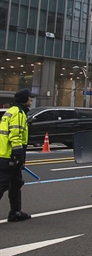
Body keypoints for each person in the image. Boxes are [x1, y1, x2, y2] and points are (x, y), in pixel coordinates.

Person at [0, 89, 36, 222]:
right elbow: (15, 136)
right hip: (9, 155)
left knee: (16, 183)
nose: (31, 100)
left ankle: (15, 212)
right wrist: (18, 156)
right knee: (3, 184)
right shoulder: (18, 113)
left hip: (4, 153)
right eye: (29, 98)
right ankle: (15, 212)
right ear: (23, 99)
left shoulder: (10, 111)